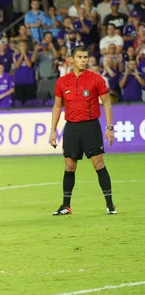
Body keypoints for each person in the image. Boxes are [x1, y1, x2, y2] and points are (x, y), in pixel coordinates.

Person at [49, 46, 117, 216]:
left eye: (85, 57)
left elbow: (107, 103)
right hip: (71, 127)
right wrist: (53, 130)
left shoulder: (96, 79)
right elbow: (57, 106)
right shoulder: (62, 82)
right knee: (69, 166)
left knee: (98, 164)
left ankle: (110, 205)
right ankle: (66, 206)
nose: (83, 60)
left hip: (91, 126)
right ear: (71, 59)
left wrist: (109, 128)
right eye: (79, 57)